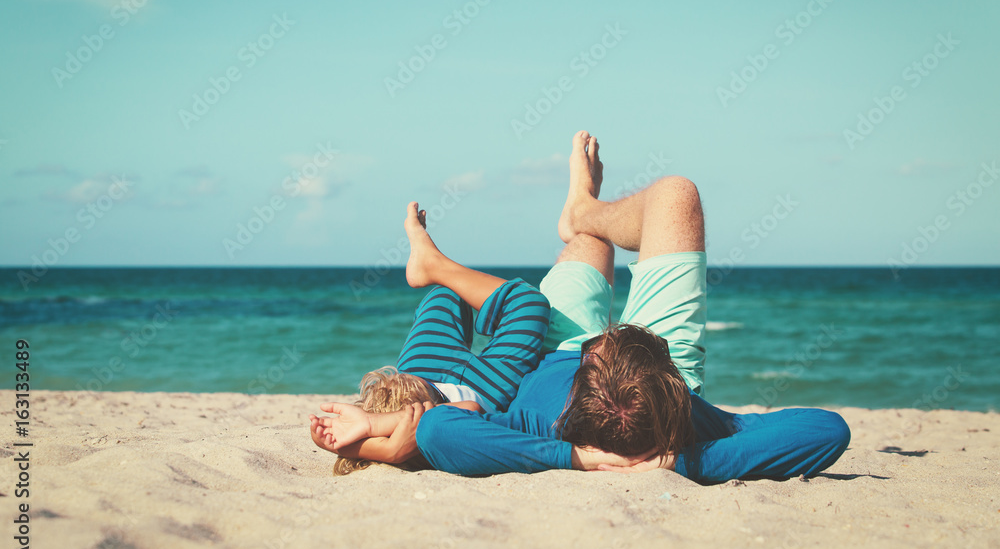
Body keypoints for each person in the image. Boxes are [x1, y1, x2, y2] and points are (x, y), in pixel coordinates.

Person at [314, 132, 851, 483]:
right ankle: (585, 208)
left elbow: (438, 432)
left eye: (604, 340)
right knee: (675, 196)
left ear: (589, 363)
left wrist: (578, 458)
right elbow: (827, 429)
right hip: (660, 393)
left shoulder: (539, 424)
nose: (606, 331)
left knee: (591, 251)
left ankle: (584, 213)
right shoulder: (688, 413)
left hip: (560, 354)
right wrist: (683, 459)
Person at [309, 202, 553, 474]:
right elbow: (466, 408)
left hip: (418, 375)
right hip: (482, 390)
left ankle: (430, 267)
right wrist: (389, 449)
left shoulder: (361, 434)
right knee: (530, 304)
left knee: (447, 295)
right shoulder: (432, 433)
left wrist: (341, 445)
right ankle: (434, 264)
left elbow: (349, 441)